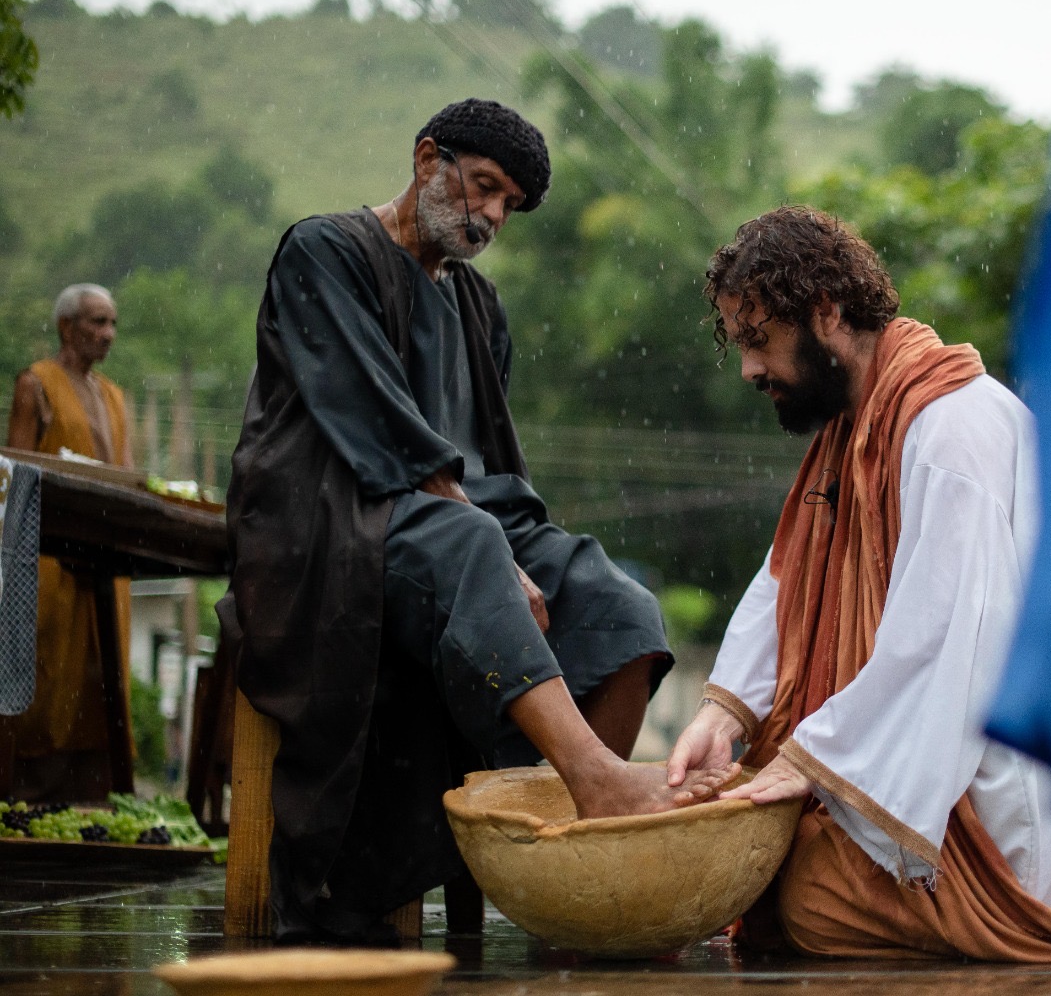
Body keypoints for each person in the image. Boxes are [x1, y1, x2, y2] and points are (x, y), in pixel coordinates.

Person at [218, 98, 733, 946]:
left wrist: (524, 554)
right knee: (474, 541)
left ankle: (578, 867)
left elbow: (492, 465)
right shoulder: (325, 252)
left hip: (453, 527)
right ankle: (596, 784)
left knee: (617, 604)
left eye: (508, 206)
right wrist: (493, 550)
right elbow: (375, 427)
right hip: (325, 525)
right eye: (484, 187)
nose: (492, 215)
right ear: (427, 158)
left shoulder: (476, 307)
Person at [666, 206, 1051, 961]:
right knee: (747, 846)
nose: (748, 370)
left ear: (827, 314)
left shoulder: (950, 428)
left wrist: (809, 763)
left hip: (995, 790)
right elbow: (786, 581)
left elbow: (946, 641)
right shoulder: (856, 424)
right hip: (921, 756)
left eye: (757, 340)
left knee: (799, 894)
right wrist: (724, 712)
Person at [1, 283, 134, 802]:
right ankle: (26, 803)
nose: (108, 334)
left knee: (103, 681)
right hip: (50, 559)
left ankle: (94, 805)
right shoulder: (37, 384)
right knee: (50, 673)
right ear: (66, 326)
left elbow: (125, 474)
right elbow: (14, 475)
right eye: (97, 322)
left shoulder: (115, 396)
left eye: (113, 324)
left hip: (107, 558)